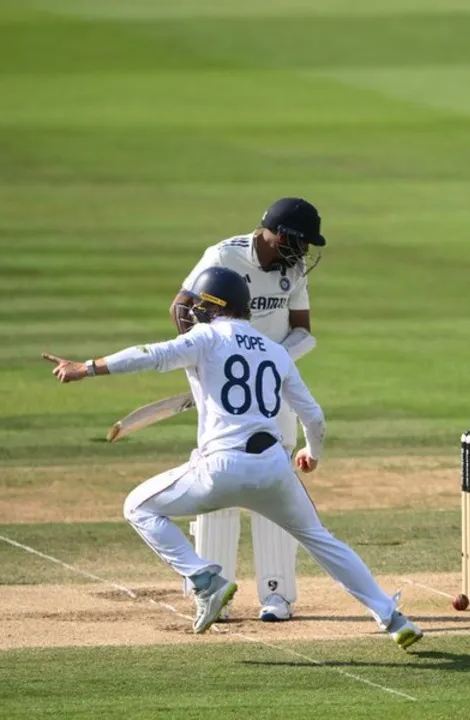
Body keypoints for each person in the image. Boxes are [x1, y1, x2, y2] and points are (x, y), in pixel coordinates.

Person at [42, 266, 422, 648]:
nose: (192, 312)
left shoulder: (205, 338)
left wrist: (85, 369)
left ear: (213, 307)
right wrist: (312, 452)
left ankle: (206, 580)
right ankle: (392, 617)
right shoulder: (276, 351)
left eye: (198, 305)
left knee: (138, 507)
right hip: (273, 468)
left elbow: (149, 355)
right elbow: (314, 417)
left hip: (220, 469)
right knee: (323, 541)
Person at [169, 197, 324, 623]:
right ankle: (215, 592)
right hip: (227, 398)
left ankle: (277, 596)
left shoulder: (291, 270)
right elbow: (181, 308)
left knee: (275, 493)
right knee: (216, 487)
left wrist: (269, 361)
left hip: (272, 395)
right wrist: (204, 365)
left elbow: (303, 332)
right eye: (299, 241)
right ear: (278, 233)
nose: (303, 254)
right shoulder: (224, 256)